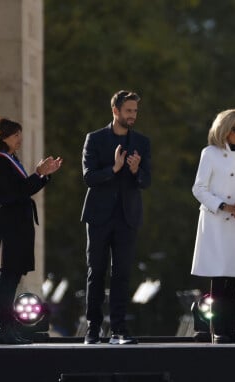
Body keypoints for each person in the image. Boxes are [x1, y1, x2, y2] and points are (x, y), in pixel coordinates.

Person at [0, 118, 62, 344]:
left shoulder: (10, 159)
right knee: (7, 275)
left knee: (13, 274)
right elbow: (12, 193)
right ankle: (3, 327)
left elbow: (24, 189)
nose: (20, 139)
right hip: (9, 223)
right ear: (3, 136)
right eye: (16, 135)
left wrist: (43, 174)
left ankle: (9, 327)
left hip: (16, 222)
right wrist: (37, 173)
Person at [81, 90, 151, 345]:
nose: (133, 115)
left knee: (122, 273)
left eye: (135, 111)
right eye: (129, 110)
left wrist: (135, 171)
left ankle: (119, 329)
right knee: (96, 271)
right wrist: (114, 169)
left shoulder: (142, 142)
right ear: (116, 111)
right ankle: (93, 328)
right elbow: (89, 176)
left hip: (127, 217)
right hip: (99, 216)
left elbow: (147, 180)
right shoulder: (95, 139)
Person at [191, 109, 235, 344]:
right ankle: (218, 329)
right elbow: (199, 188)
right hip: (217, 221)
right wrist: (222, 206)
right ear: (224, 130)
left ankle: (231, 329)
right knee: (219, 279)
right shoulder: (209, 153)